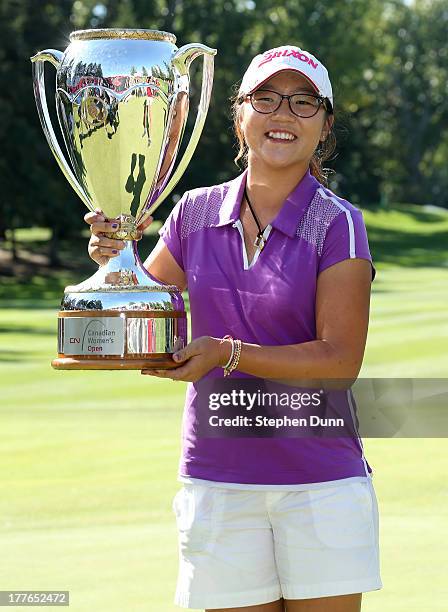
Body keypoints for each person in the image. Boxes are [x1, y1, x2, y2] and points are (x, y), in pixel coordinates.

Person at [86, 45, 382, 612]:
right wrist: (113, 262)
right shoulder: (193, 214)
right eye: (266, 99)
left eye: (303, 102)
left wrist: (226, 353)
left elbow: (340, 361)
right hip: (219, 479)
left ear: (324, 125)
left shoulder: (339, 224)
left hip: (319, 484)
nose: (283, 115)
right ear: (240, 115)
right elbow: (139, 325)